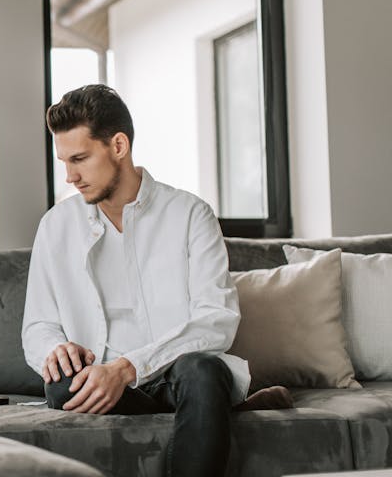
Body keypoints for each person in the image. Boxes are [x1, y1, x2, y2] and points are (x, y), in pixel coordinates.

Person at [22, 85, 292, 476]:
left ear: (118, 146)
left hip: (175, 371)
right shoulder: (55, 227)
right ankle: (219, 406)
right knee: (61, 385)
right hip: (98, 375)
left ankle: (205, 399)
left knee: (203, 370)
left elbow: (216, 318)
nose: (71, 177)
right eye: (64, 161)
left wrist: (129, 368)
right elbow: (37, 324)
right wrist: (54, 348)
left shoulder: (189, 214)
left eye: (80, 159)